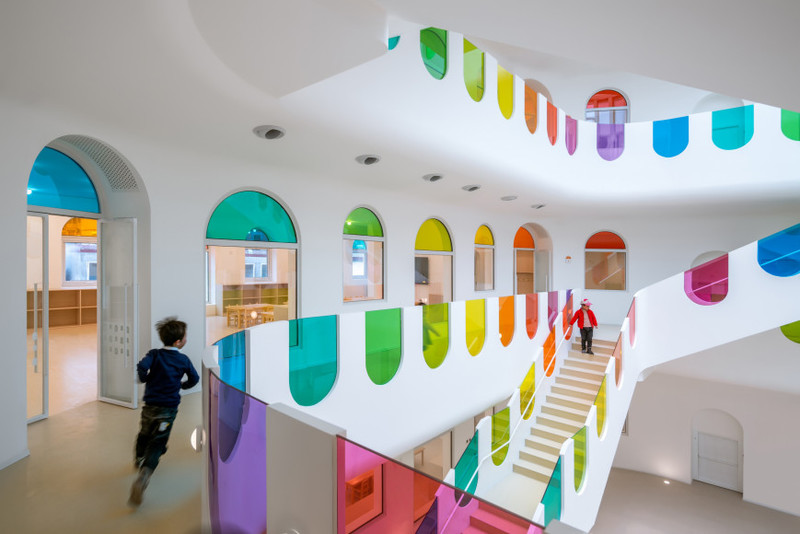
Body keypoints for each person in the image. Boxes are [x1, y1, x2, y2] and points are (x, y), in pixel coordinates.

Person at [128, 316, 199, 507]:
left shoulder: (155, 354)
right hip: (168, 409)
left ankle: (138, 458)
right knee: (158, 443)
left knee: (144, 433)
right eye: (185, 337)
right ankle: (144, 475)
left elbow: (142, 366)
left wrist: (144, 378)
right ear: (178, 342)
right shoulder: (183, 360)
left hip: (149, 407)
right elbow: (195, 378)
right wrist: (183, 385)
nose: (186, 339)